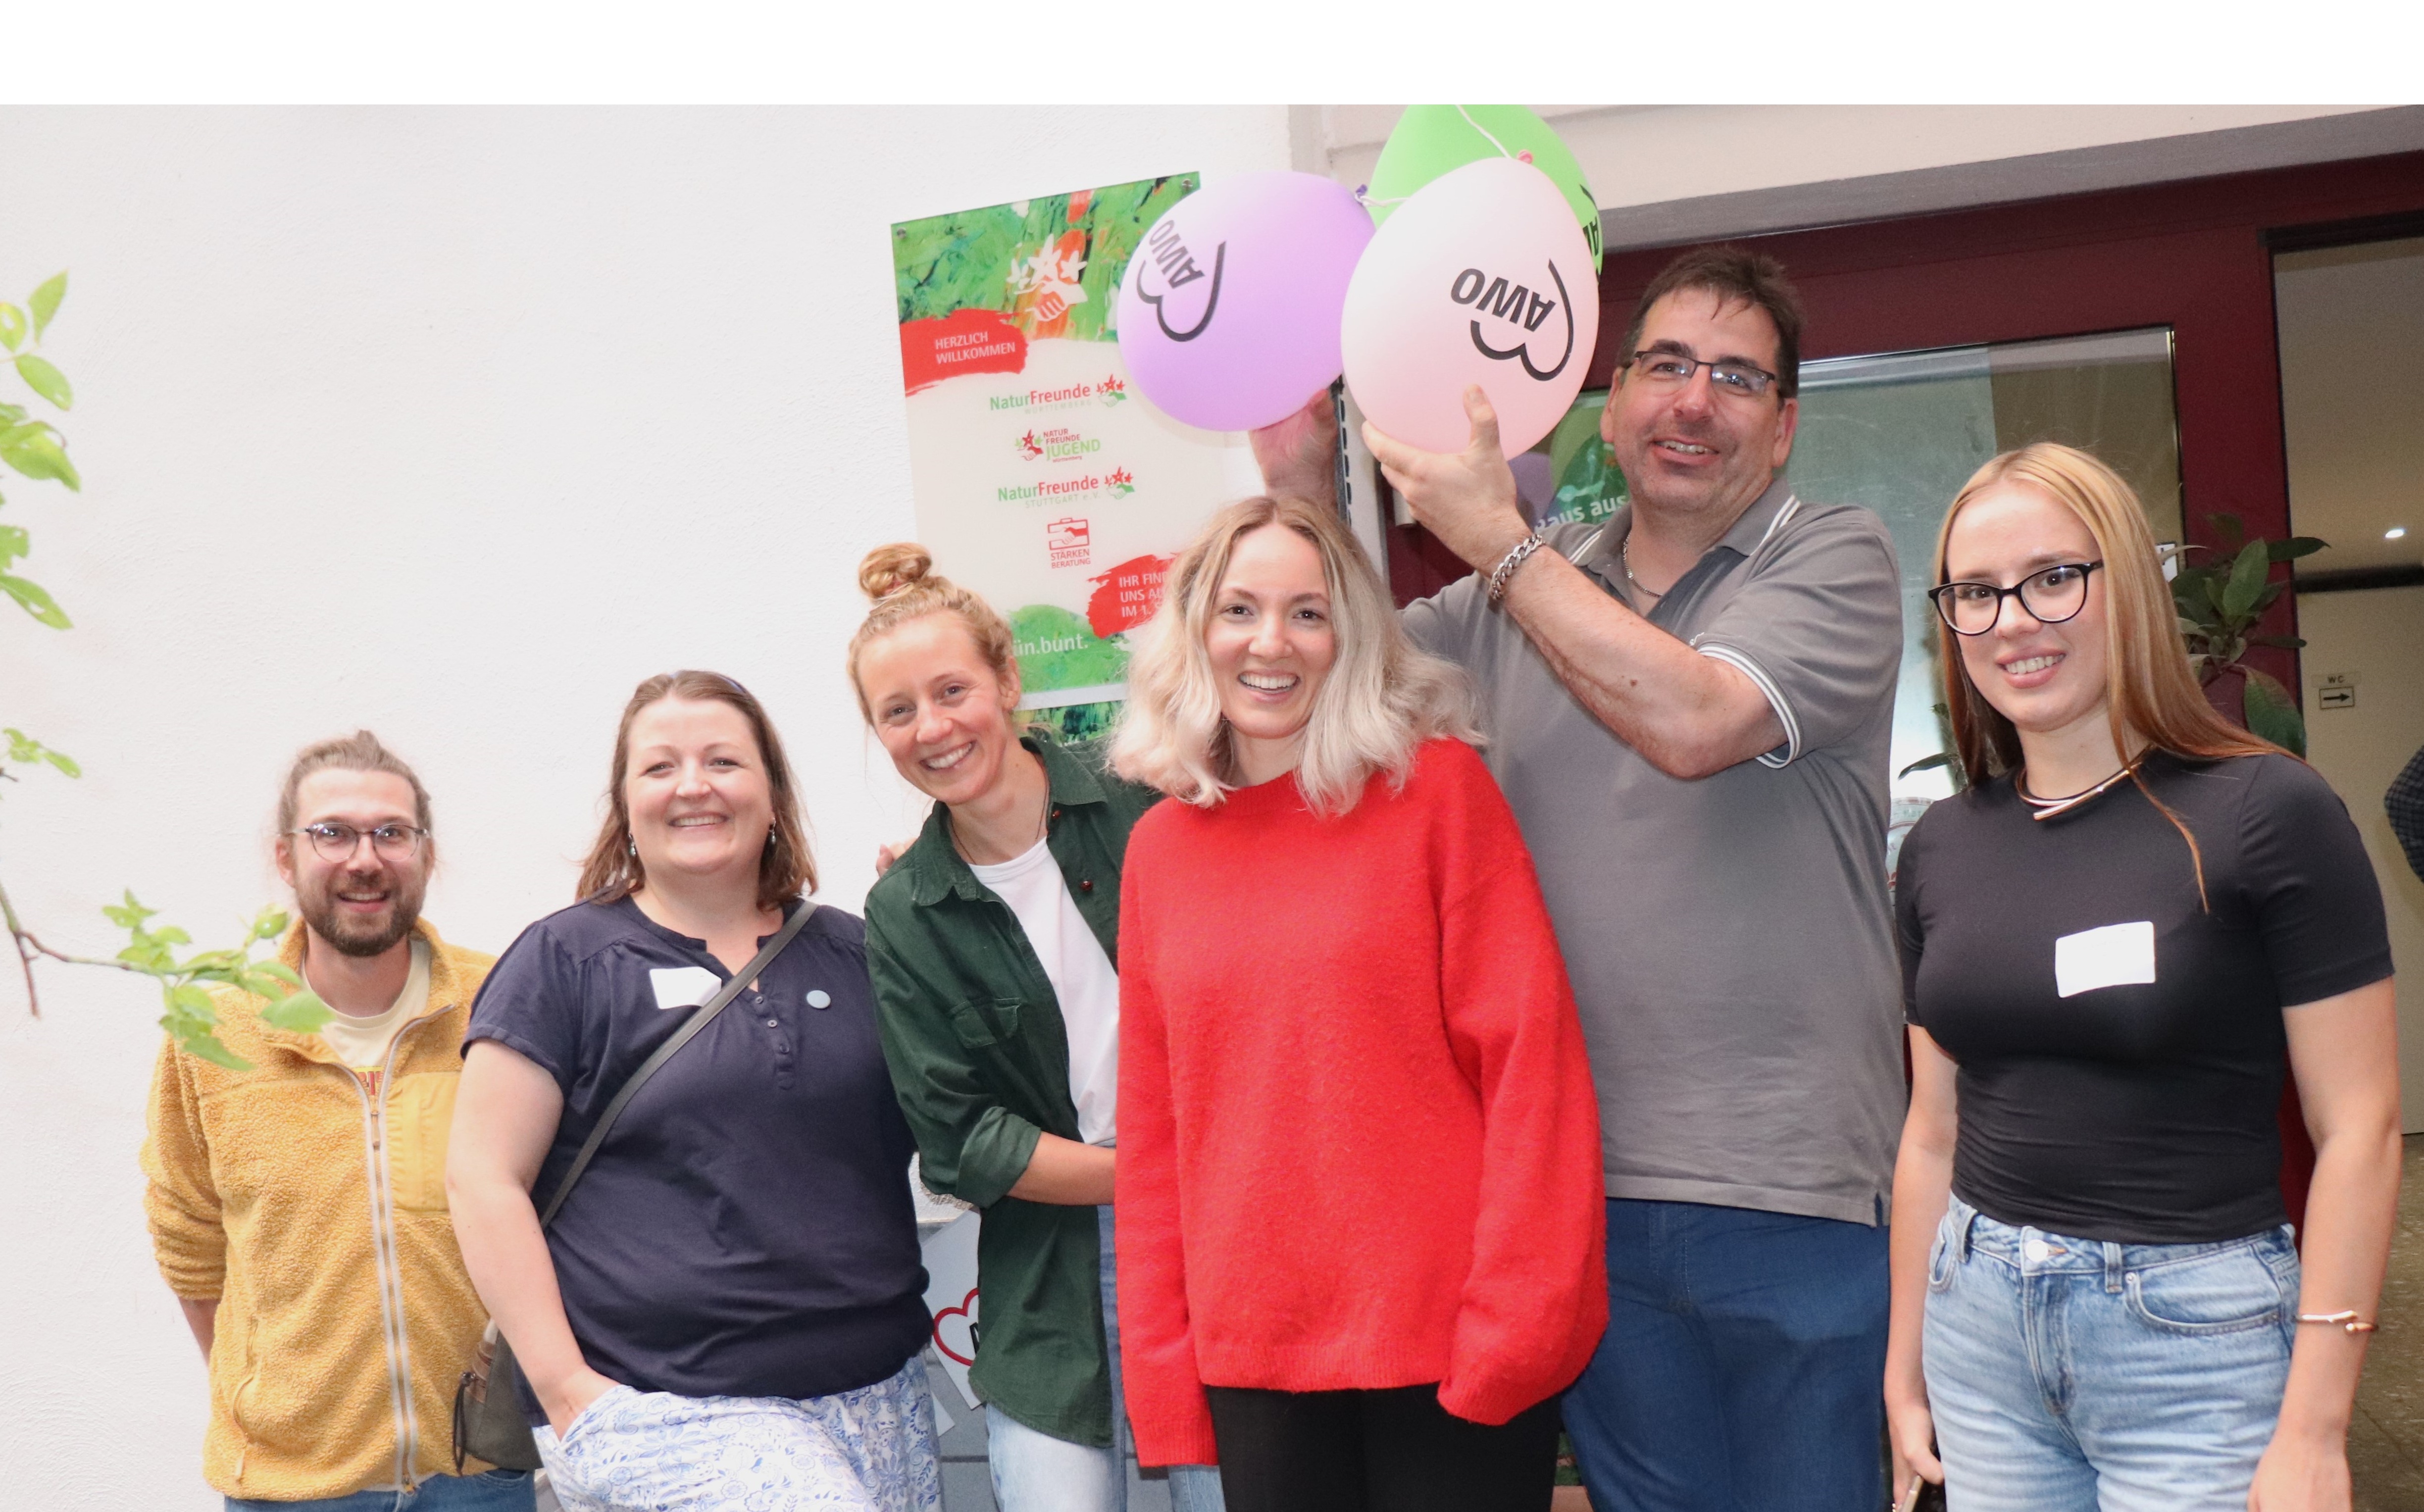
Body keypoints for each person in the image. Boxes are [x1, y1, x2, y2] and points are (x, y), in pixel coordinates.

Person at [1366, 245, 1908, 1512]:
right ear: (1612, 401)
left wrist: (1500, 545)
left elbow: (1697, 720)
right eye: (1665, 364)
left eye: (1736, 378)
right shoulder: (1515, 590)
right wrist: (1292, 465)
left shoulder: (1833, 554)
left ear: (1780, 431)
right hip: (1573, 1193)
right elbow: (1308, 681)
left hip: (1793, 1192)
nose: (1693, 401)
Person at [1885, 444, 2401, 1511]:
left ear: (2129, 582)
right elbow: (1932, 1131)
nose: (2014, 621)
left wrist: (2317, 1427)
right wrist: (1906, 1368)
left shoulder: (2267, 812)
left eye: (2053, 578)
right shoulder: (1940, 846)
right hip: (1977, 1329)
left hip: (2193, 1340)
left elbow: (2362, 1129)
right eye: (1976, 594)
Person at [1109, 494, 1608, 1512]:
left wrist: (1518, 1325)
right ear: (1195, 633)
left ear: (1353, 637)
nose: (1271, 644)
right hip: (1258, 1359)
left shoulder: (1437, 794)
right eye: (1240, 610)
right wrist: (1165, 1365)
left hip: (1450, 1350)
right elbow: (1158, 1132)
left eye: (1307, 613)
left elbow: (1531, 1072)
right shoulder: (1160, 849)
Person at [446, 671, 937, 1512]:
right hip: (664, 1402)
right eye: (660, 767)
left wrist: (942, 910)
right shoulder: (565, 961)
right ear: (626, 804)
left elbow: (955, 1121)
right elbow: (482, 1177)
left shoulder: (859, 951)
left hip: (877, 1390)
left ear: (774, 795)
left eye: (723, 760)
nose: (694, 785)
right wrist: (568, 1392)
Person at [850, 544, 1225, 1512]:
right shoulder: (904, 911)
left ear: (1008, 678)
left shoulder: (1148, 802)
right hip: (1049, 1271)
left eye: (952, 690)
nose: (933, 729)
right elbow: (963, 1141)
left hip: (1218, 1239)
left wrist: (1190, 1172)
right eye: (898, 712)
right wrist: (1148, 1171)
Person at [141, 731, 534, 1511]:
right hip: (293, 1486)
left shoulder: (503, 1003)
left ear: (426, 854)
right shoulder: (215, 1030)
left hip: (479, 1475)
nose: (365, 858)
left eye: (392, 832)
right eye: (333, 833)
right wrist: (274, 1395)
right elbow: (188, 1236)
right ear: (285, 857)